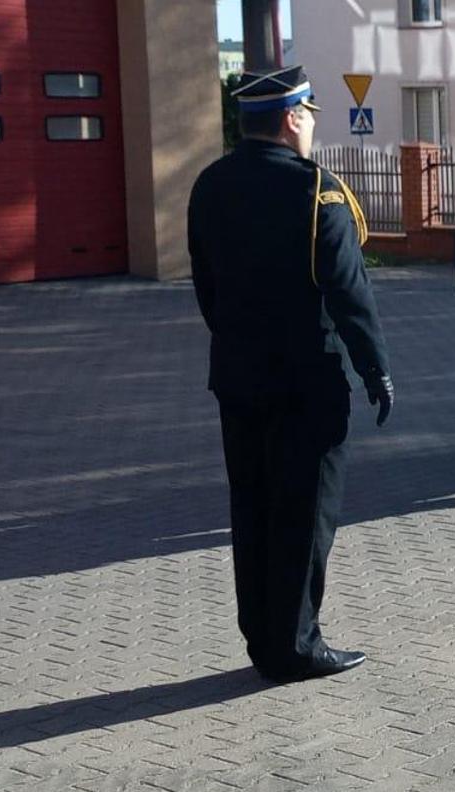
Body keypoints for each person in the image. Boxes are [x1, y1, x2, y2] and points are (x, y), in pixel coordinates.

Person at [187, 65, 392, 682]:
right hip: (307, 383)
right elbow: (349, 293)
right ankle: (297, 645)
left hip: (238, 378)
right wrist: (376, 368)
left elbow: (206, 287)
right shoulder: (316, 192)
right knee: (303, 515)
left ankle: (263, 640)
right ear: (292, 118)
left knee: (252, 509)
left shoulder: (210, 184)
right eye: (307, 117)